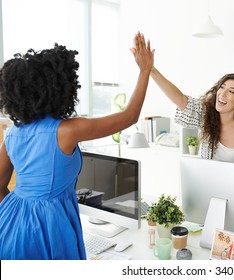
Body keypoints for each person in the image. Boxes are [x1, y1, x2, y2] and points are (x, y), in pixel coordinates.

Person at [0, 32, 154, 259]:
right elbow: (129, 117)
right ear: (59, 88)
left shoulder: (13, 133)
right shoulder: (67, 131)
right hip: (50, 224)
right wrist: (145, 70)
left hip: (10, 220)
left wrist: (19, 211)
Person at [143, 65, 234, 228]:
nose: (222, 94)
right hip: (210, 201)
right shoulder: (206, 117)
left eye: (231, 91)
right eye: (222, 87)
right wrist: (151, 70)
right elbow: (179, 99)